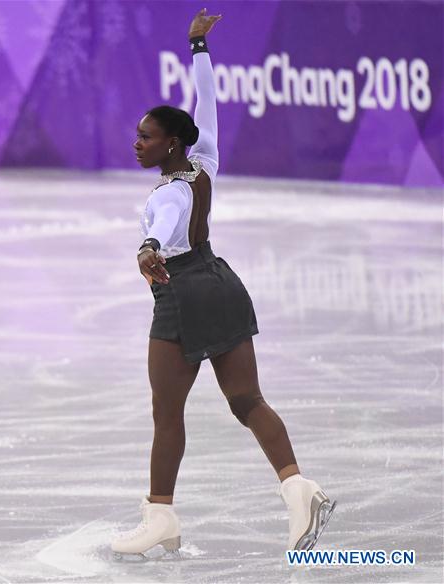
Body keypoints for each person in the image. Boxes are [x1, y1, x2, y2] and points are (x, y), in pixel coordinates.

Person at [111, 9, 336, 560]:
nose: (137, 143)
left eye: (146, 137)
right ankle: (297, 489)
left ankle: (160, 516)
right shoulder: (202, 162)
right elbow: (206, 109)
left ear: (169, 144)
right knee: (247, 400)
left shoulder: (168, 194)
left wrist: (148, 251)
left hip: (183, 294)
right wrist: (199, 51)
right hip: (221, 282)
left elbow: (162, 232)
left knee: (168, 414)